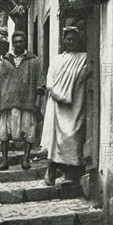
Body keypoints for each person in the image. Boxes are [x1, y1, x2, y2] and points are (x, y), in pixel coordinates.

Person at [41, 27, 87, 186]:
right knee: (56, 140)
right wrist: (61, 94)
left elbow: (84, 78)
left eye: (74, 39)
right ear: (63, 40)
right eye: (68, 39)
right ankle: (51, 169)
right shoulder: (56, 60)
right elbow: (50, 81)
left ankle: (71, 173)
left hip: (75, 106)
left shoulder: (84, 58)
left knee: (73, 136)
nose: (71, 42)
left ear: (79, 40)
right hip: (57, 105)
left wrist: (68, 95)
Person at [0, 31, 45, 170]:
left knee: (29, 131)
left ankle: (25, 159)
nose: (18, 44)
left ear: (25, 42)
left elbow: (40, 83)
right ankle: (5, 161)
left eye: (21, 41)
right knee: (5, 132)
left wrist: (37, 102)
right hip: (8, 101)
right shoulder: (5, 61)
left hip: (27, 101)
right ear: (12, 43)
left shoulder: (33, 61)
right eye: (15, 42)